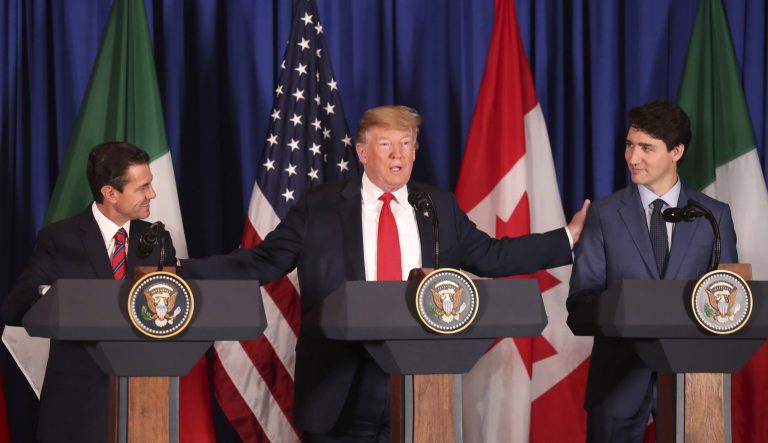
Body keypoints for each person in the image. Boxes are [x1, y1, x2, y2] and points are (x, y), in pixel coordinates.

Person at [181, 105, 590, 442]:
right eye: (386, 144)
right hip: (341, 385)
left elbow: (489, 256)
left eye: (407, 144)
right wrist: (185, 271)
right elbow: (263, 260)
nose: (399, 155)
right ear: (362, 152)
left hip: (422, 381)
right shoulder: (320, 207)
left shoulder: (437, 206)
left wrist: (567, 238)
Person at [567, 101, 738, 442]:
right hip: (617, 381)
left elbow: (728, 301)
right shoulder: (604, 214)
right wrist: (631, 310)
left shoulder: (712, 217)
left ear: (676, 151)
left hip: (694, 382)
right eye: (630, 145)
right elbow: (580, 304)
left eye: (646, 148)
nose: (633, 158)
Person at [2, 141, 176, 443]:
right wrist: (59, 296)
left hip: (145, 404)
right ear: (110, 193)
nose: (152, 194)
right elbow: (15, 308)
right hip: (76, 408)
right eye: (142, 187)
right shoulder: (59, 239)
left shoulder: (157, 240)